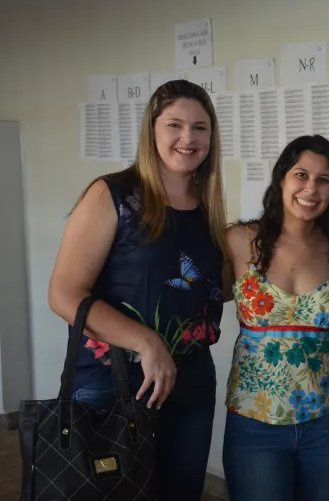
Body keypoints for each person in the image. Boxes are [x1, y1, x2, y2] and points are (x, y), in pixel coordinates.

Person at [48, 79, 227, 500]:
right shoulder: (111, 194)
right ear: (152, 131)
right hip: (113, 379)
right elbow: (64, 294)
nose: (188, 138)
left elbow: (206, 287)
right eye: (175, 125)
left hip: (191, 380)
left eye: (200, 128)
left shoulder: (208, 207)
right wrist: (147, 343)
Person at [221, 135, 329, 500]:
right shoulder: (239, 241)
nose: (310, 189)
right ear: (281, 179)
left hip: (327, 420)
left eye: (323, 180)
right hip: (254, 422)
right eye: (301, 175)